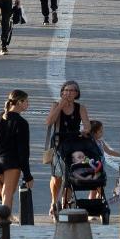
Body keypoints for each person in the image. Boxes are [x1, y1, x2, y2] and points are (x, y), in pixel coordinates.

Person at [46, 80, 91, 218]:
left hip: (74, 144)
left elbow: (87, 126)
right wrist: (60, 107)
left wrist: (84, 131)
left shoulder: (80, 108)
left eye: (72, 91)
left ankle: (66, 202)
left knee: (70, 175)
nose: (68, 93)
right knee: (57, 176)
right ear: (62, 92)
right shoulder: (56, 105)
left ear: (77, 93)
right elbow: (49, 122)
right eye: (66, 90)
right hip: (59, 144)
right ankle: (54, 202)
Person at [0, 89, 33, 211]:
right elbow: (23, 150)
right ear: (19, 102)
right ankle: (5, 220)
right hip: (11, 161)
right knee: (8, 193)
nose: (28, 104)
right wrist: (27, 175)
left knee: (3, 192)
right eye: (26, 101)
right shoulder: (21, 123)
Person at [89, 120, 120, 199]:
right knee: (93, 190)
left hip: (101, 170)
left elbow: (109, 152)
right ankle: (91, 205)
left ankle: (98, 204)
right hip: (94, 170)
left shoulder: (100, 142)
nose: (102, 133)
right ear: (94, 132)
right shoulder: (89, 143)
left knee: (100, 189)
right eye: (100, 131)